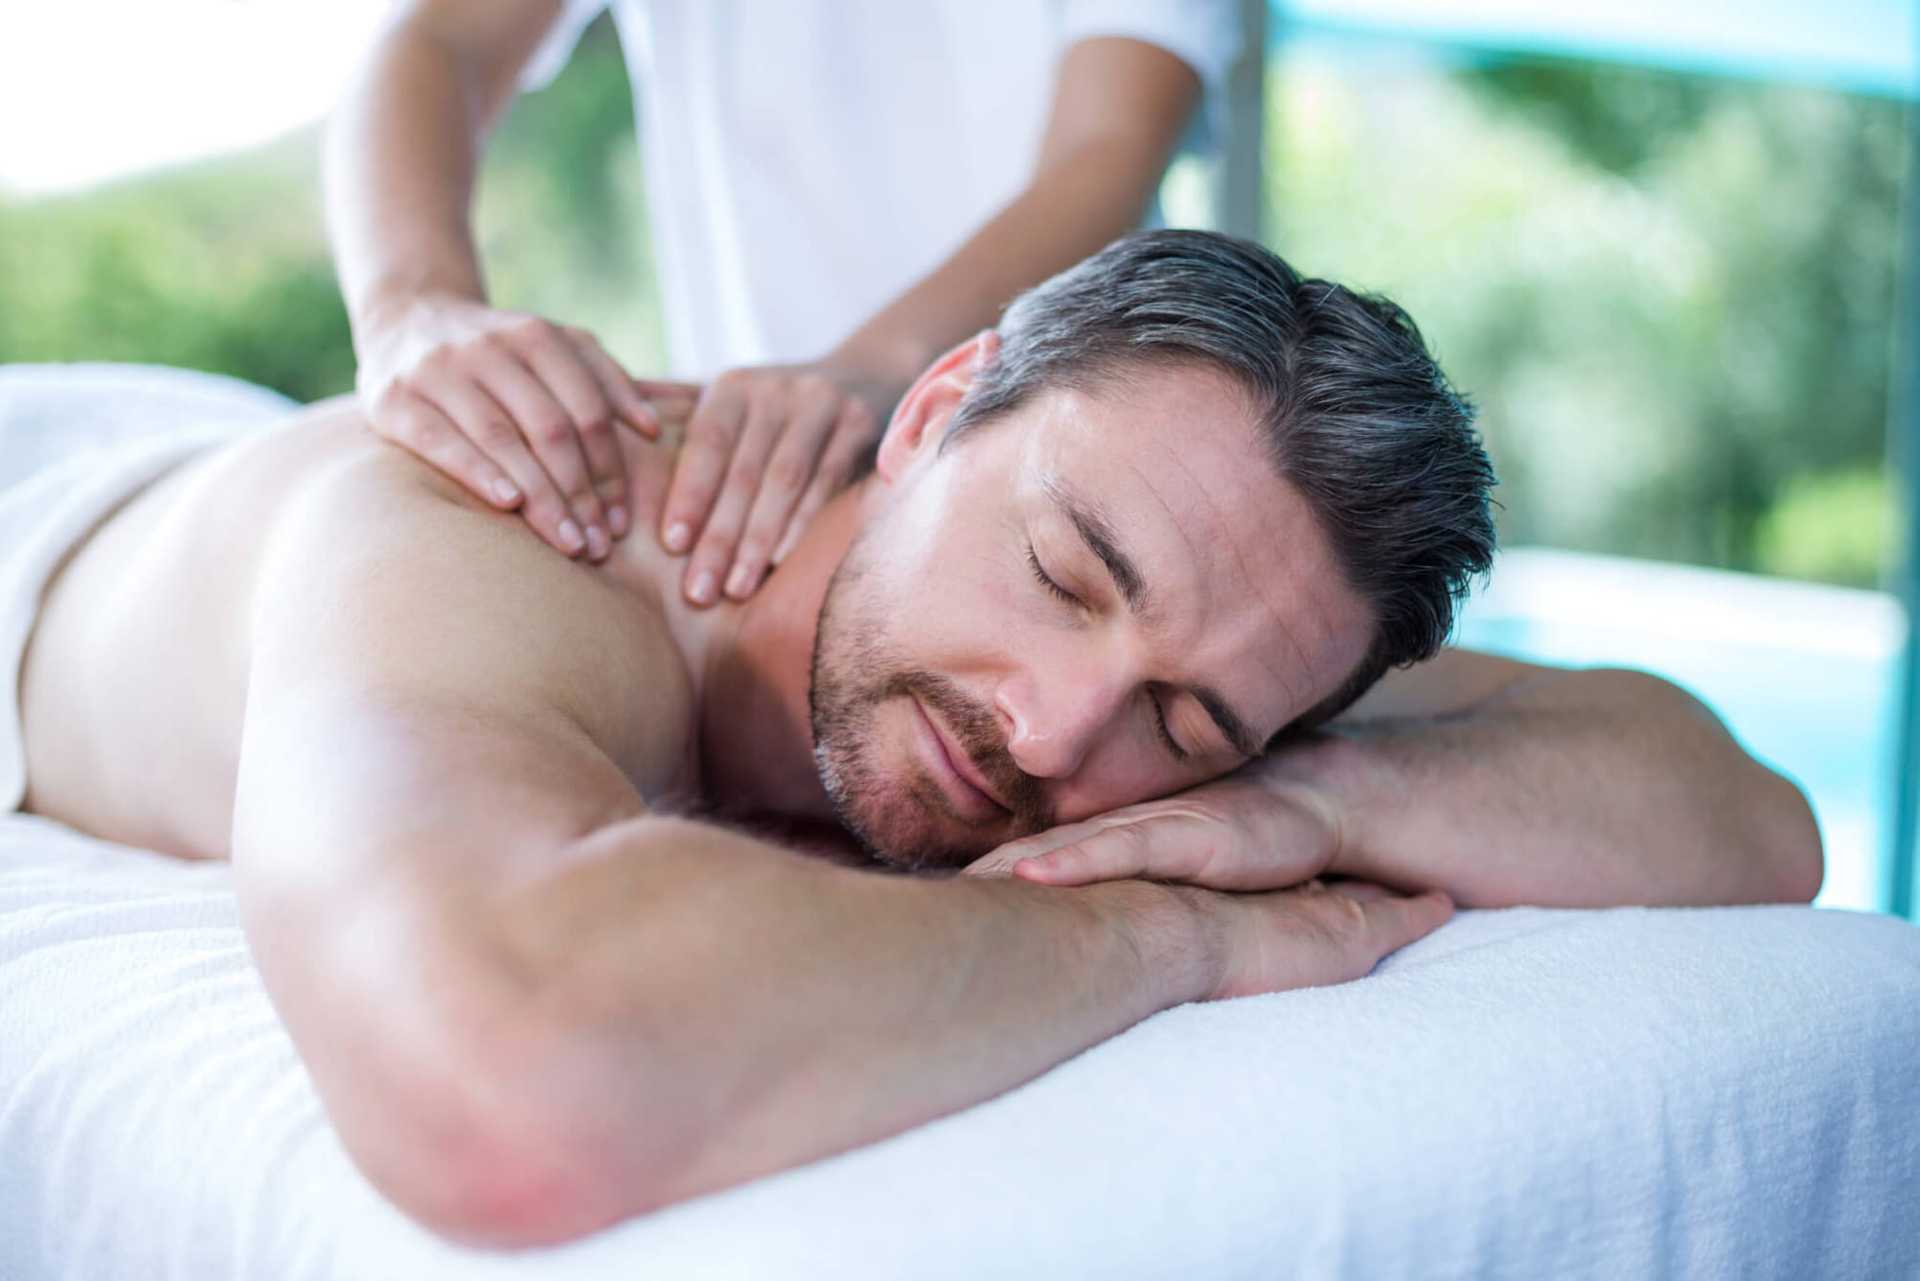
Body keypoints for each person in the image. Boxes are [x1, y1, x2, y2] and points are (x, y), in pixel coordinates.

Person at [5, 233, 1820, 1248]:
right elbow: (506, 1078)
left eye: (1185, 723)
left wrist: (1303, 794)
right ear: (937, 406)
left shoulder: (1203, 635)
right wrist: (1166, 931)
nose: (1050, 729)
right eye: (1060, 572)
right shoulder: (496, 548)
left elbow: (1745, 816)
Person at [328, 0, 1236, 608]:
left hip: (1045, 455)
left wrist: (886, 367)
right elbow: (438, 40)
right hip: (754, 469)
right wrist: (412, 307)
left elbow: (1108, 144)